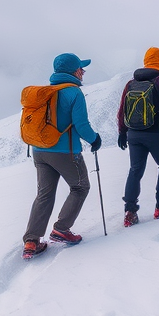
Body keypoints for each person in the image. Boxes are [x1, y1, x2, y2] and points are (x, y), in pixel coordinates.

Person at [23, 53, 102, 260]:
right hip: (64, 152)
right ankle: (61, 228)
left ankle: (32, 240)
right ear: (74, 71)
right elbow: (81, 125)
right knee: (80, 187)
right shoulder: (73, 93)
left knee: (44, 194)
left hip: (39, 151)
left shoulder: (46, 91)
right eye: (81, 68)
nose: (83, 72)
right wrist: (94, 140)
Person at [116, 47, 159, 227]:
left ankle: (130, 212)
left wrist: (122, 132)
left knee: (135, 170)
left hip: (133, 134)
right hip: (156, 133)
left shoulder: (131, 83)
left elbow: (122, 110)